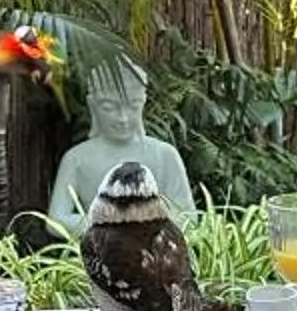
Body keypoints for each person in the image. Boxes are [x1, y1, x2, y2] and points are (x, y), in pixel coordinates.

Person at [45, 63, 198, 237]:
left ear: (143, 103)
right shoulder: (76, 159)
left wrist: (139, 226)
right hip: (97, 257)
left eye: (133, 106)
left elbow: (188, 217)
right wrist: (112, 224)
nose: (123, 118)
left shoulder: (164, 155)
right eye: (109, 108)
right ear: (92, 106)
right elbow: (55, 221)